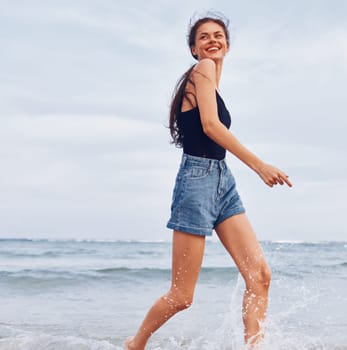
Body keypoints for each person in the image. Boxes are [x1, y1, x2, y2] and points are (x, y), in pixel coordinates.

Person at [125, 12, 292, 350]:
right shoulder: (202, 71)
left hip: (221, 180)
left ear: (228, 45)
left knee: (260, 277)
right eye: (204, 37)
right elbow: (211, 127)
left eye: (218, 35)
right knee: (182, 296)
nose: (212, 40)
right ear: (194, 49)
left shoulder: (213, 83)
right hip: (198, 180)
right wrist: (259, 166)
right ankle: (136, 344)